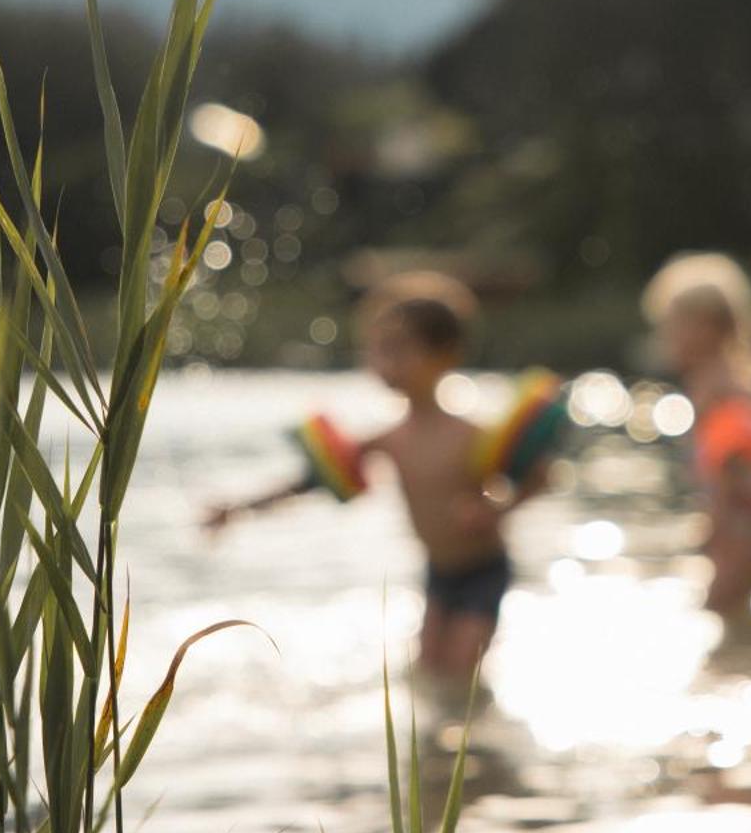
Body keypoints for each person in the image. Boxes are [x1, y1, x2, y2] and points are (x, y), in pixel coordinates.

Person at [204, 272, 548, 678]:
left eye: (397, 349)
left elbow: (541, 477)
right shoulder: (391, 438)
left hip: (484, 570)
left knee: (461, 672)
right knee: (428, 673)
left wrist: (496, 510)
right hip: (439, 572)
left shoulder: (472, 435)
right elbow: (312, 481)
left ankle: (475, 740)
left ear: (445, 355)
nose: (383, 362)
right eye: (377, 350)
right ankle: (436, 741)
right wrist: (240, 508)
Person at [644, 252, 751, 617]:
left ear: (708, 328)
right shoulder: (741, 379)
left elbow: (729, 463)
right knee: (735, 612)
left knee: (717, 608)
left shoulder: (713, 387)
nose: (667, 336)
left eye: (675, 325)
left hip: (743, 522)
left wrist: (713, 525)